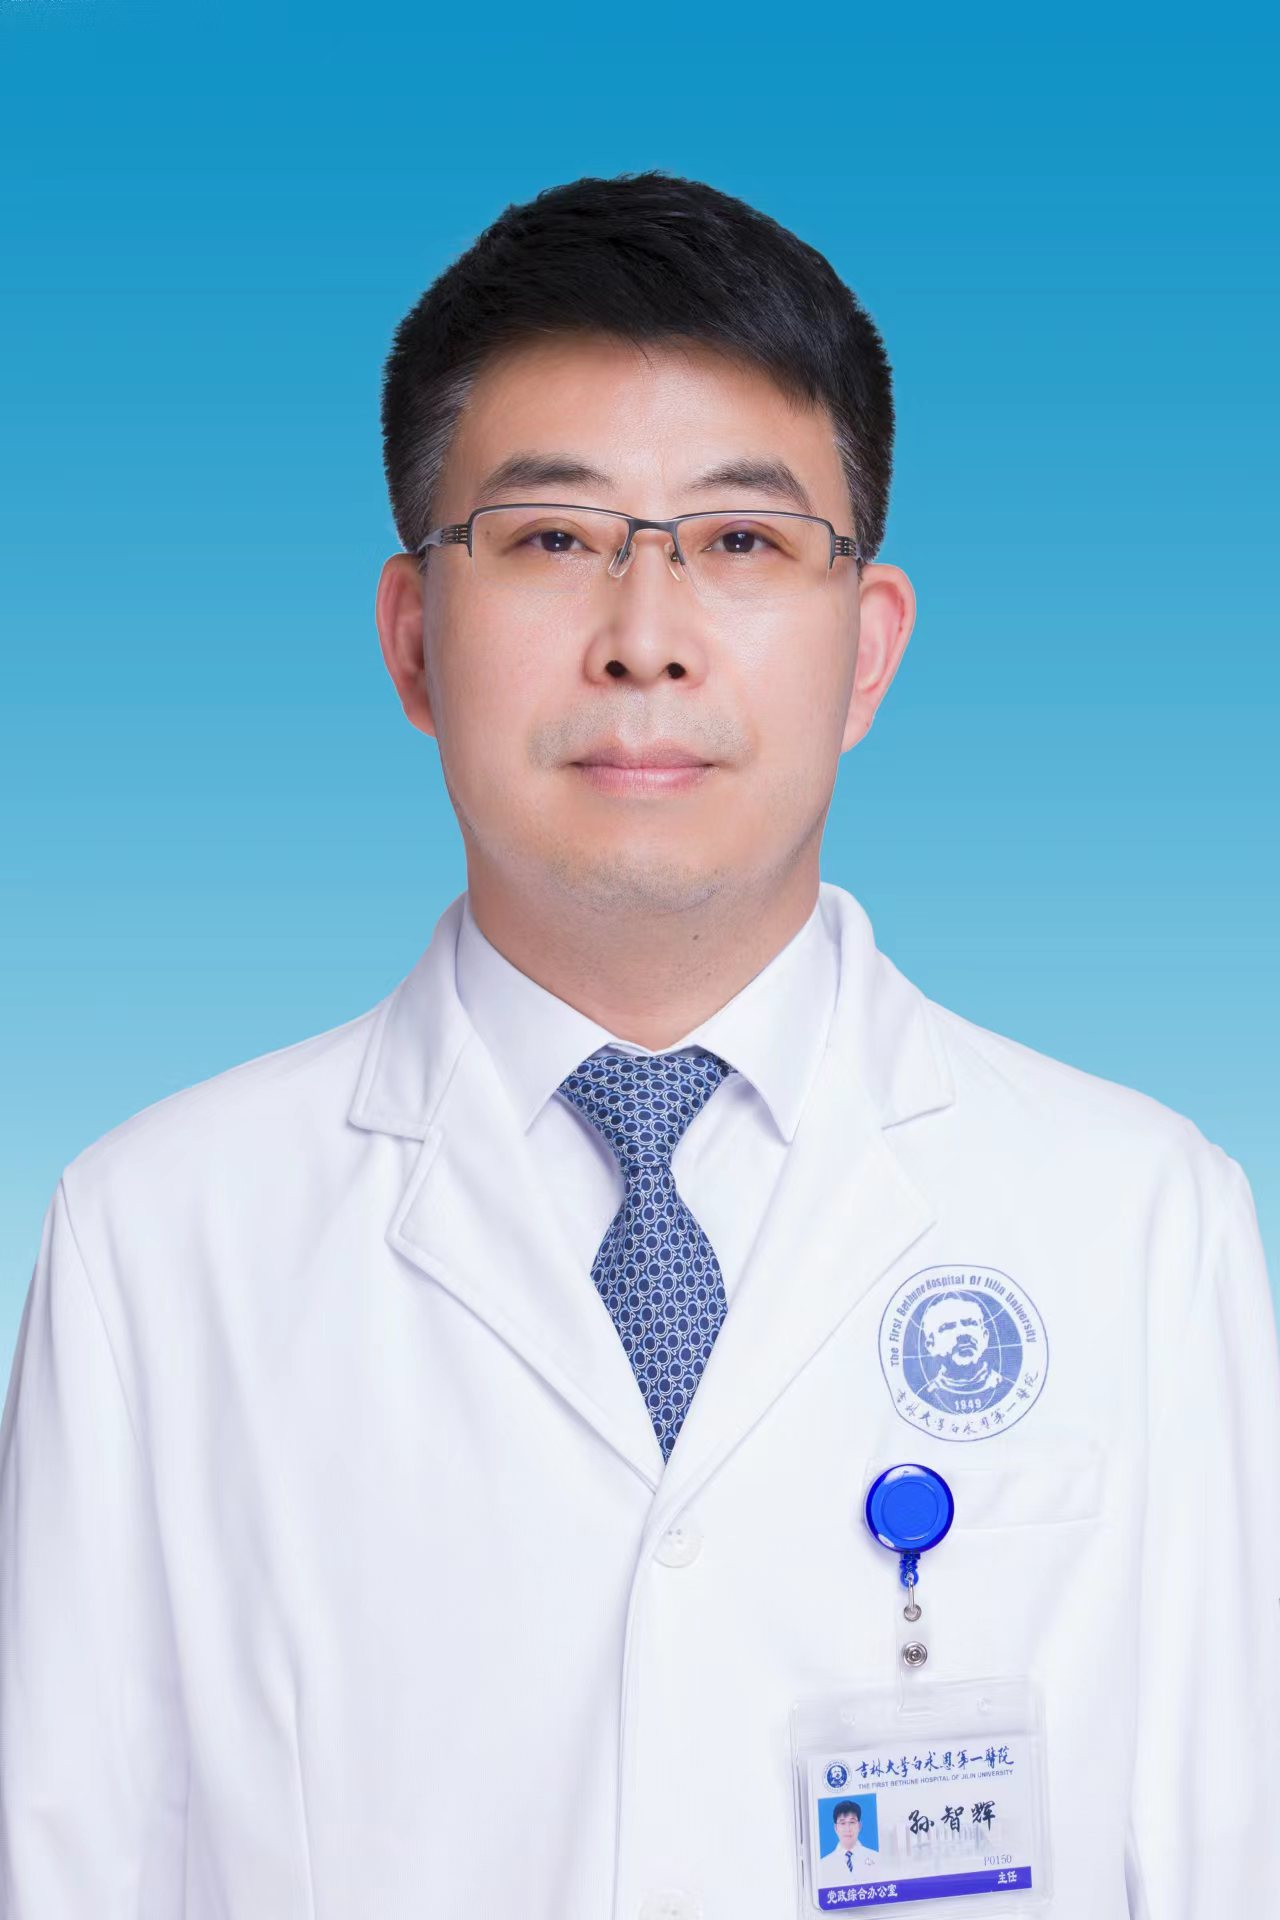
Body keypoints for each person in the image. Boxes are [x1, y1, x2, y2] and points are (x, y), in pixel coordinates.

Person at [1, 169, 1277, 1920]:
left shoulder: (1140, 1220)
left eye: (742, 544)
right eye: (551, 539)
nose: (646, 642)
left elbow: (1232, 1857)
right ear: (413, 643)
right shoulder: (158, 1242)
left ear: (868, 652)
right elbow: (59, 1869)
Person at [820, 1801, 880, 1884]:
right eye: (842, 1823)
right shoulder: (823, 1865)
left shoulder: (877, 1858)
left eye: (852, 1822)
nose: (848, 1829)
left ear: (859, 1826)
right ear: (836, 1828)